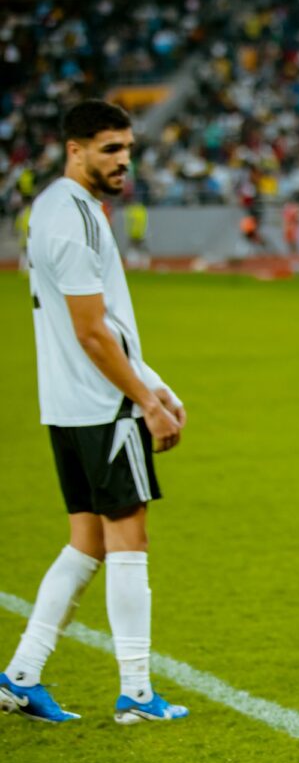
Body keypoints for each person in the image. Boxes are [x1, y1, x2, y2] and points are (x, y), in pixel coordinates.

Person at [1, 100, 188, 725]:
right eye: (110, 149)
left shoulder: (59, 207)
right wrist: (145, 401)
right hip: (103, 405)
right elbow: (92, 333)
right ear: (74, 149)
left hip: (68, 404)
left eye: (128, 148)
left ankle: (22, 675)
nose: (123, 160)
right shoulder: (73, 218)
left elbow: (102, 325)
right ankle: (137, 691)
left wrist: (155, 385)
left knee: (87, 541)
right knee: (130, 539)